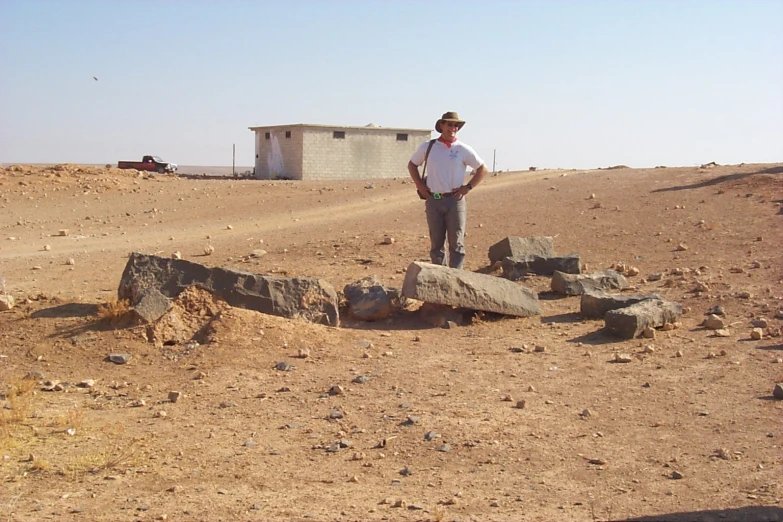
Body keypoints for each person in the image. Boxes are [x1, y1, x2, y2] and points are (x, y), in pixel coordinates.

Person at [408, 111, 487, 270]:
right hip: (433, 200)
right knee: (436, 243)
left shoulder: (463, 149)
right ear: (442, 125)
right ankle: (440, 277)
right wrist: (420, 185)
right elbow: (412, 165)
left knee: (456, 243)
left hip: (455, 201)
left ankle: (456, 278)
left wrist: (468, 187)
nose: (453, 128)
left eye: (455, 125)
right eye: (449, 124)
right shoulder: (428, 147)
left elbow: (482, 169)